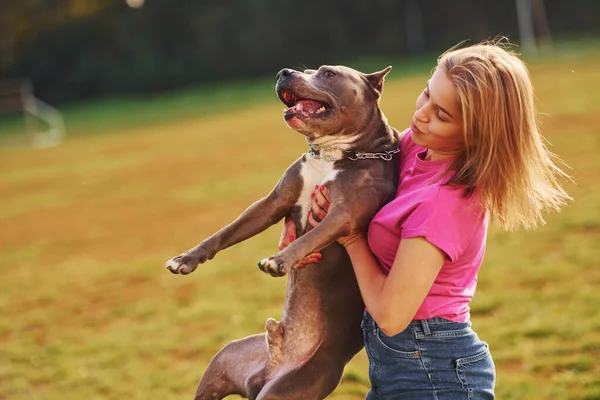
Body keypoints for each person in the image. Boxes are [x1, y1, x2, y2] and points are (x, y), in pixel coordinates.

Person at [278, 39, 571, 399]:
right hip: (403, 364)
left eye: (442, 114)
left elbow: (390, 315)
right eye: (426, 94)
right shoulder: (417, 146)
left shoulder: (443, 204)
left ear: (477, 133)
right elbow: (346, 177)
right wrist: (297, 217)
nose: (421, 114)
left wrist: (350, 237)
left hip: (433, 374)